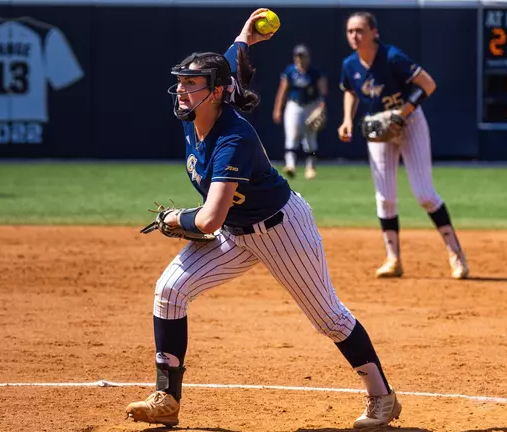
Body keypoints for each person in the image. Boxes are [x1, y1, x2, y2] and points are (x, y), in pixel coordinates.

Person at [125, 9, 402, 430]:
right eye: (180, 82)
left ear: (216, 92)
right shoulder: (203, 104)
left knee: (328, 318)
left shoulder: (233, 138)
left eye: (191, 83)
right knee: (170, 290)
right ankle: (168, 398)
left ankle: (383, 398)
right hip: (236, 233)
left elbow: (209, 218)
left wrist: (177, 217)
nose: (182, 90)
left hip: (281, 229)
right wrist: (245, 35)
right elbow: (230, 57)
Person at [337, 11, 469, 279]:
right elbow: (350, 90)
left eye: (360, 30)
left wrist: (403, 113)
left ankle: (456, 254)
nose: (354, 35)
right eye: (350, 31)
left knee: (425, 194)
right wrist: (347, 120)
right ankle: (393, 259)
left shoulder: (392, 57)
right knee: (385, 198)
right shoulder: (349, 64)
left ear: (374, 32)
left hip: (410, 124)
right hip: (378, 129)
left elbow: (428, 85)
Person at [273, 44, 327, 180]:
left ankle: (310, 167)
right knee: (292, 136)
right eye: (298, 56)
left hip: (311, 105)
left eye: (302, 56)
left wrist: (321, 106)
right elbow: (282, 91)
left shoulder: (314, 72)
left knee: (310, 138)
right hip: (294, 105)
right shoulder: (290, 71)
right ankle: (290, 165)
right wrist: (278, 109)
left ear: (308, 57)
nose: (300, 59)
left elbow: (322, 90)